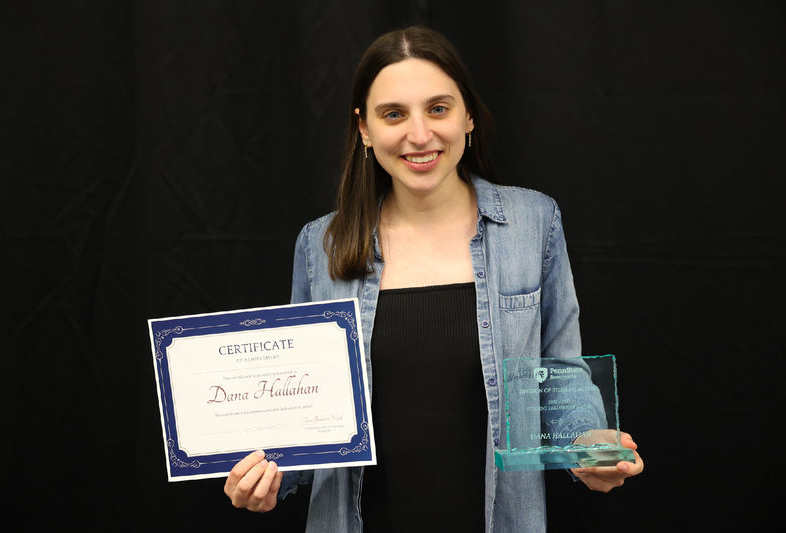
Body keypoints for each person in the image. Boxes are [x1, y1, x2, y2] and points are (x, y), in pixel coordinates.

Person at [224, 25, 644, 532]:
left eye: (438, 109)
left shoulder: (534, 222)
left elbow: (559, 371)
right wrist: (269, 478)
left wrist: (586, 446)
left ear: (468, 115)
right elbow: (300, 410)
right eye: (394, 114)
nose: (419, 135)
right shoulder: (323, 244)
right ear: (364, 128)